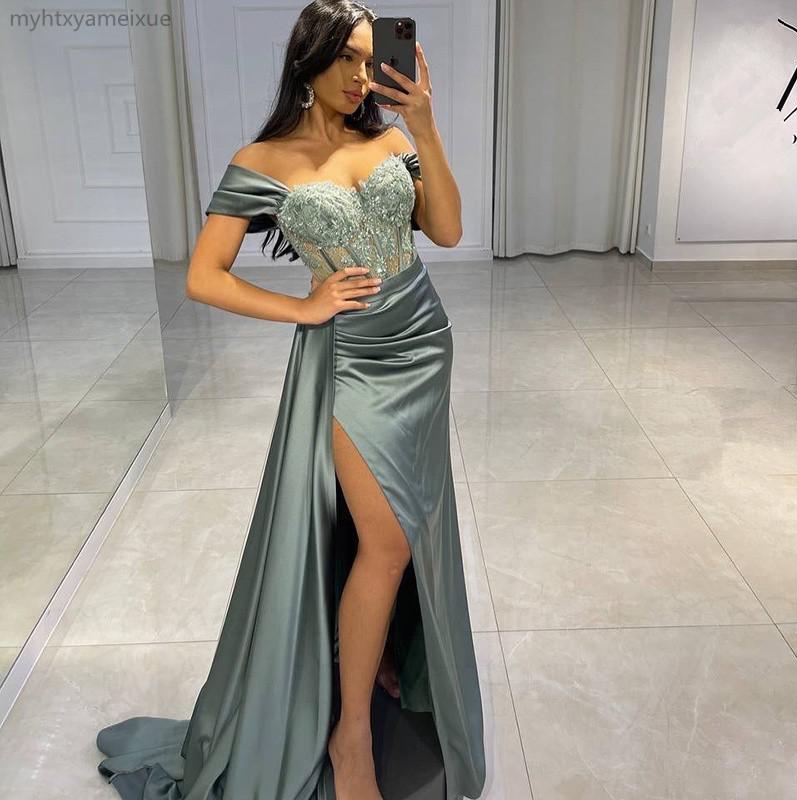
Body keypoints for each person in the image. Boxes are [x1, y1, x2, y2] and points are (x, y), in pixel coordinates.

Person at [94, 1, 486, 798]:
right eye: (347, 59)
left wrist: (426, 127)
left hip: (423, 343)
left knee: (401, 529)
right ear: (309, 58)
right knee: (387, 542)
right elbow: (203, 276)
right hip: (350, 360)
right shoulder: (263, 160)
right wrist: (303, 308)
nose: (361, 77)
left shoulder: (390, 139)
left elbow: (446, 233)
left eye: (372, 60)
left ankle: (378, 657)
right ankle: (350, 740)